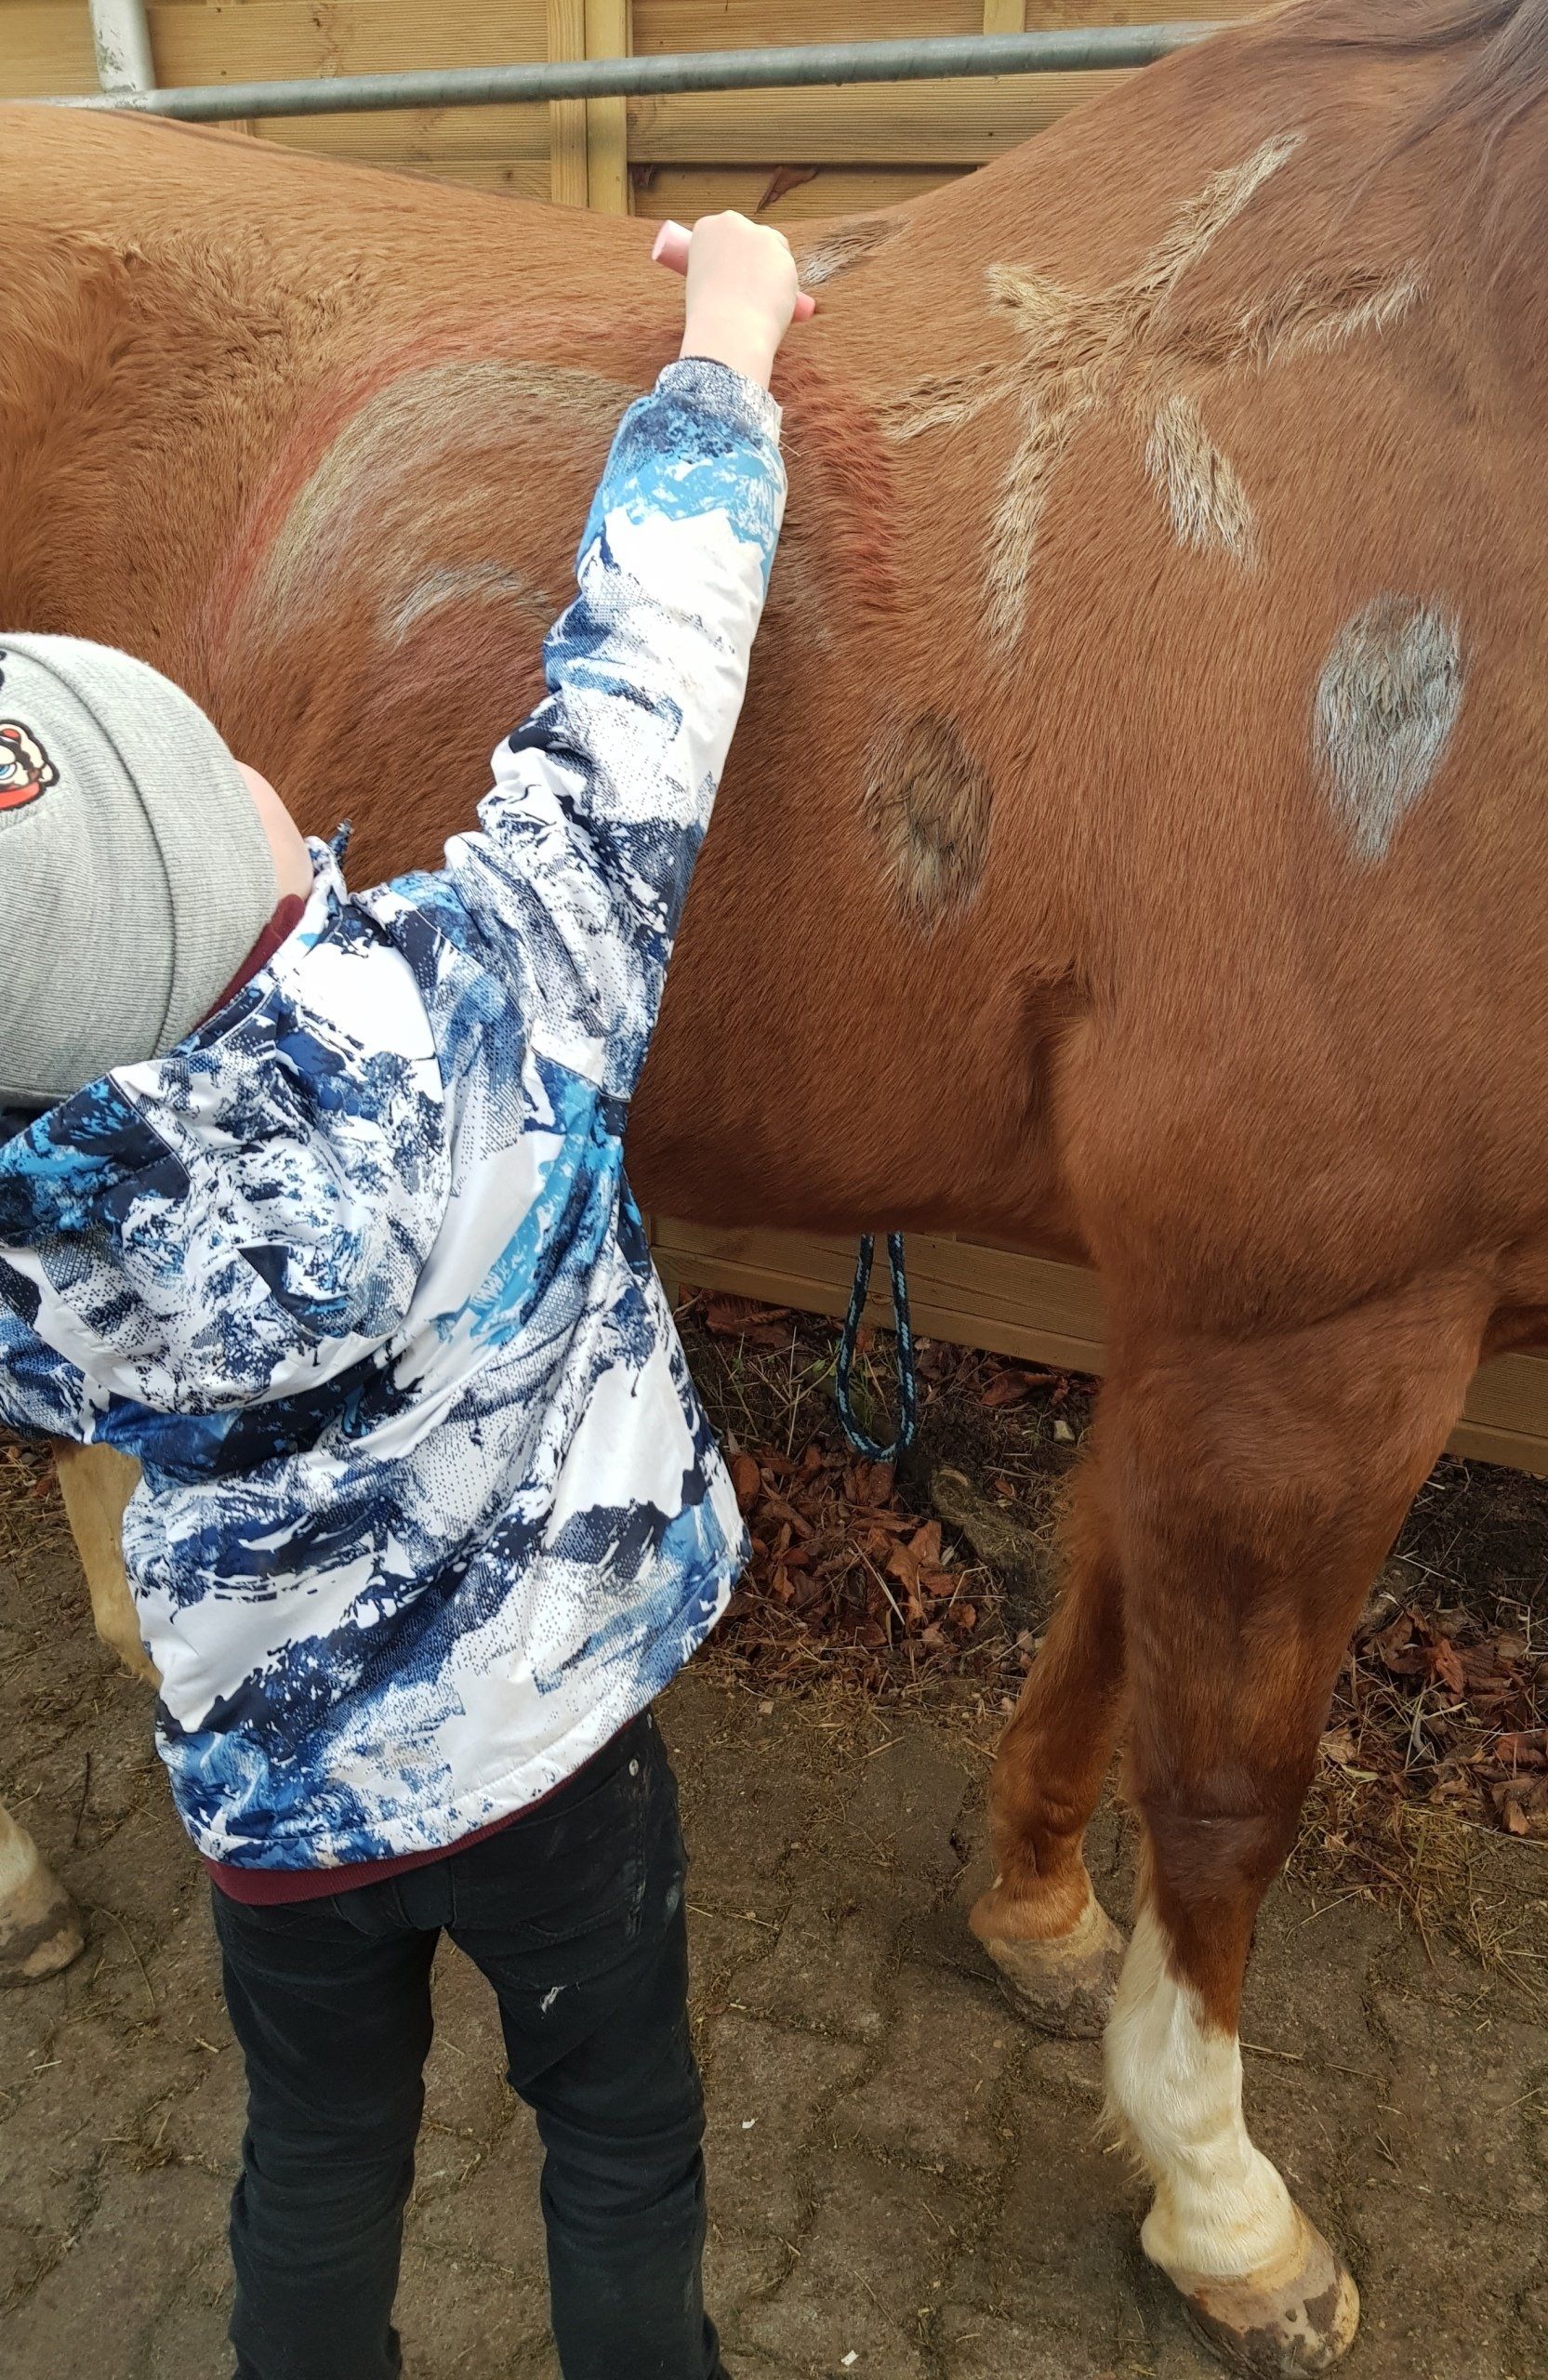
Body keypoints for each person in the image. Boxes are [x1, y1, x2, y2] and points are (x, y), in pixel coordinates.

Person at [0, 211, 808, 2380]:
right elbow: (647, 677)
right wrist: (728, 343)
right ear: (243, 855)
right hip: (556, 1760)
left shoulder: (30, 1239)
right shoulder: (503, 994)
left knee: (318, 2156)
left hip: (283, 1820)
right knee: (619, 2132)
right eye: (219, 771)